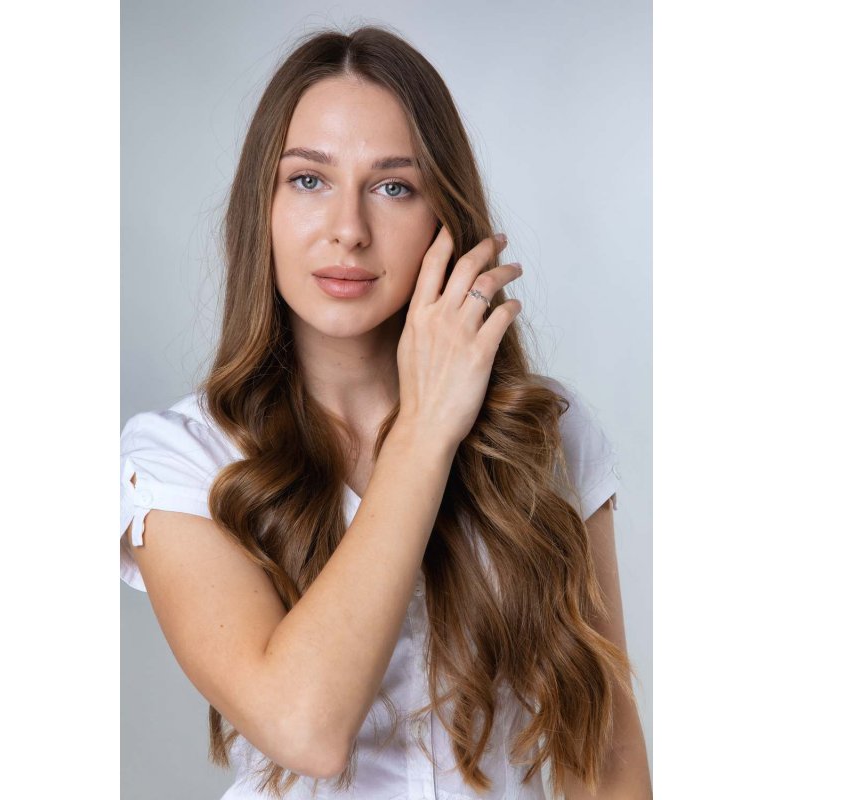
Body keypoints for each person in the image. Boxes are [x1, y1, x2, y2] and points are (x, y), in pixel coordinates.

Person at [120, 24, 651, 800]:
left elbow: (605, 755)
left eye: (393, 186)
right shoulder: (183, 460)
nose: (348, 229)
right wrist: (428, 432)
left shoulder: (551, 437)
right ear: (259, 207)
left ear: (446, 217)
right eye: (308, 180)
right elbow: (305, 727)